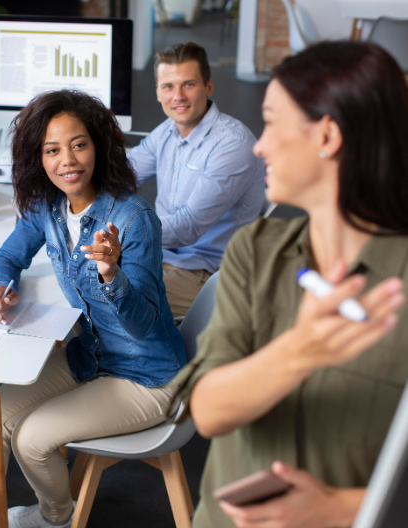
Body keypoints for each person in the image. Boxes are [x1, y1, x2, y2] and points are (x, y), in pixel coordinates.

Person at [172, 41, 408, 528]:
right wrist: (300, 350)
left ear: (327, 134)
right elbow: (209, 411)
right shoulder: (256, 251)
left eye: (273, 121)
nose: (260, 145)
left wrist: (337, 510)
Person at [0, 90, 186, 528]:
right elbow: (7, 257)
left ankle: (55, 519)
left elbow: (143, 325)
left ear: (98, 145)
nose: (68, 160)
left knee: (31, 438)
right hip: (90, 358)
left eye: (79, 144)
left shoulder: (133, 219)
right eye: (52, 150)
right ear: (38, 158)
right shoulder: (47, 207)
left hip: (147, 376)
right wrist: (0, 287)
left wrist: (112, 273)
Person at [128, 42, 265, 317]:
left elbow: (187, 227)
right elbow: (125, 172)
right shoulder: (168, 130)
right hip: (161, 256)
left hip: (205, 273)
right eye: (168, 86)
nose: (177, 96)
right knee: (79, 270)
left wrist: (122, 233)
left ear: (208, 87)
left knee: (100, 296)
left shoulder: (232, 144)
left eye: (188, 85)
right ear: (157, 92)